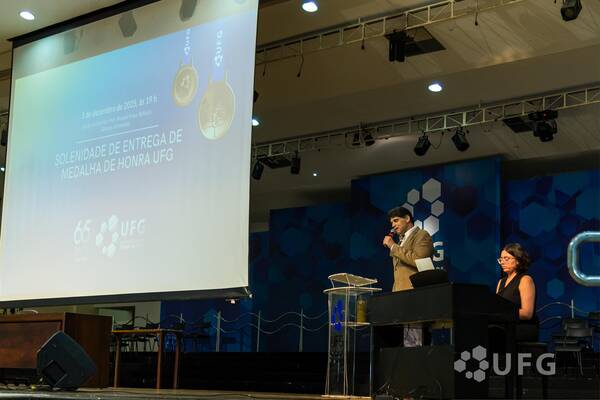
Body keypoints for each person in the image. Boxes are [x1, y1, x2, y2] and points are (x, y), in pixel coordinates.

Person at [382, 206, 434, 292]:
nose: (393, 225)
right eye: (392, 222)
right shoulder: (401, 241)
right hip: (399, 293)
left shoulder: (421, 235)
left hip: (416, 291)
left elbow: (420, 260)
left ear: (407, 218)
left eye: (396, 220)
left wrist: (393, 246)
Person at [495, 243, 538, 341]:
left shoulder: (525, 279)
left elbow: (527, 313)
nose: (502, 262)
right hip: (505, 326)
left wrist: (501, 313)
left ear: (518, 260)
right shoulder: (501, 282)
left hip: (521, 328)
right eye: (501, 259)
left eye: (506, 259)